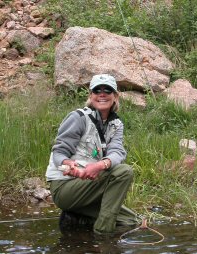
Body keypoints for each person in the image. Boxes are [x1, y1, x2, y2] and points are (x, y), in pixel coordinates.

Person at [45, 73, 138, 234]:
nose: (102, 94)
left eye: (107, 90)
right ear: (91, 96)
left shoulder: (117, 124)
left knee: (130, 221)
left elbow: (117, 152)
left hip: (90, 186)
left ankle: (76, 218)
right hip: (65, 187)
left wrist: (99, 165)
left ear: (115, 96)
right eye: (97, 91)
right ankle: (103, 236)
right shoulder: (78, 117)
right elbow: (59, 152)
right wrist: (68, 164)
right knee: (124, 172)